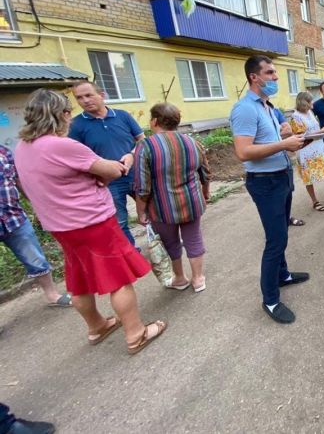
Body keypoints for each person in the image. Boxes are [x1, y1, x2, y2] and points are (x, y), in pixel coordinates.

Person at [13, 89, 166, 354]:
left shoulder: (22, 147)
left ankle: (97, 326)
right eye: (68, 111)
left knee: (79, 279)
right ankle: (136, 334)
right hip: (91, 221)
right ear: (61, 114)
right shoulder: (61, 144)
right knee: (118, 278)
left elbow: (28, 185)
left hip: (60, 226)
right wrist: (123, 162)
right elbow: (111, 170)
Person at [231, 55, 309, 324]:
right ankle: (271, 299)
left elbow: (268, 142)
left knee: (282, 233)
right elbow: (243, 152)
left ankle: (283, 275)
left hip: (281, 175)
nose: (276, 77)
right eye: (271, 73)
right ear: (255, 77)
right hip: (265, 182)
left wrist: (289, 139)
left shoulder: (266, 106)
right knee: (275, 240)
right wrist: (283, 145)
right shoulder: (245, 109)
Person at [134, 103, 211, 293]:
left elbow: (142, 185)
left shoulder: (146, 146)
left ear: (154, 121)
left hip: (162, 207)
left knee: (170, 242)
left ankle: (179, 278)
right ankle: (198, 279)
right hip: (192, 202)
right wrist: (205, 192)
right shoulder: (193, 142)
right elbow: (205, 173)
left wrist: (140, 211)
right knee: (193, 238)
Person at [69, 81, 144, 246]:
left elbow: (142, 141)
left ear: (101, 95)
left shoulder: (122, 116)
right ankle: (131, 254)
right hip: (108, 181)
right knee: (120, 221)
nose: (85, 101)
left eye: (89, 95)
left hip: (136, 174)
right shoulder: (75, 125)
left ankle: (162, 244)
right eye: (79, 98)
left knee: (150, 212)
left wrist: (132, 155)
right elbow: (75, 155)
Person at [0, 145, 71, 307]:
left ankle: (52, 295)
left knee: (36, 258)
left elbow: (18, 180)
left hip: (14, 218)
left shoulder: (3, 152)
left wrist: (37, 205)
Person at [272, 106, 304, 227]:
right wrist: (279, 134)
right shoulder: (249, 111)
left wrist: (273, 135)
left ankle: (287, 217)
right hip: (269, 167)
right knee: (275, 198)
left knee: (288, 192)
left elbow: (288, 130)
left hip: (284, 161)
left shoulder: (274, 110)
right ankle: (279, 223)